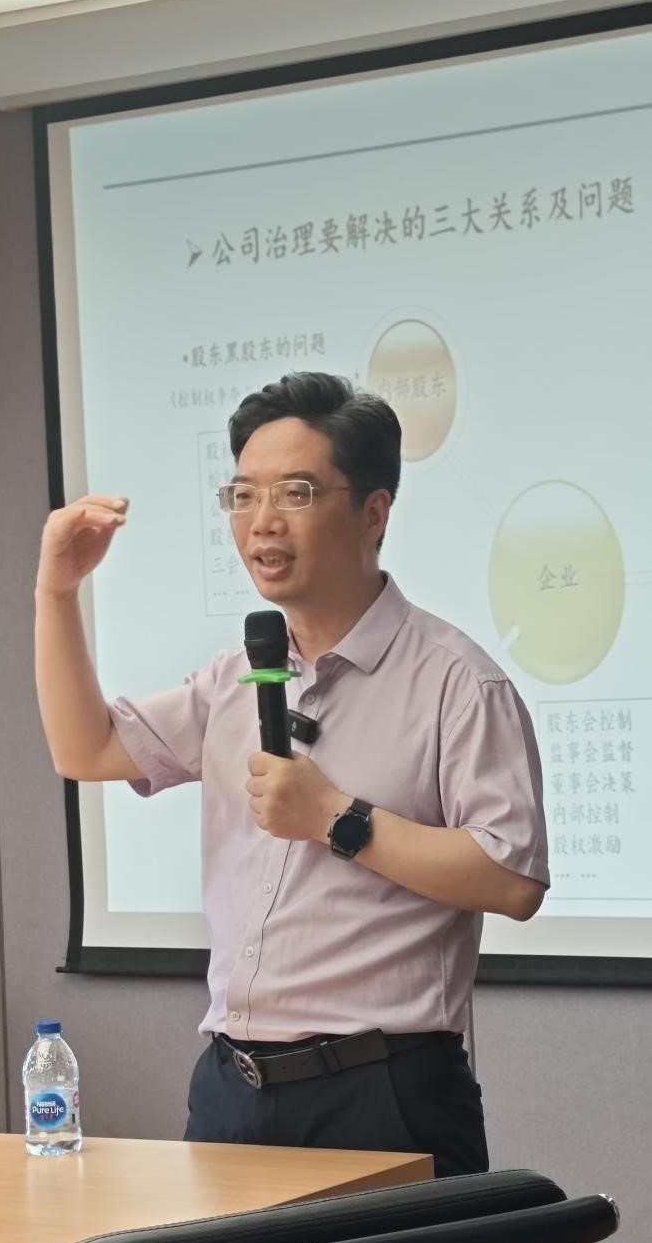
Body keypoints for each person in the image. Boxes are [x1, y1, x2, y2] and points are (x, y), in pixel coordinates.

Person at [35, 372, 548, 1176]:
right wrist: (57, 592)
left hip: (382, 1089)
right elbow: (86, 749)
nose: (261, 522)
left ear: (373, 512)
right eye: (242, 495)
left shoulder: (456, 682)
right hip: (231, 1088)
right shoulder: (234, 677)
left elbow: (511, 878)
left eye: (296, 493)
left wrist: (338, 818)